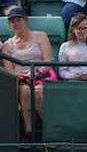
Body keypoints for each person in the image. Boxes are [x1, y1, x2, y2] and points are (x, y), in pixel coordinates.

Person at [1, 9, 54, 138]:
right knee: (24, 91)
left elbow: (47, 61)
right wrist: (21, 76)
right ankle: (29, 131)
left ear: (26, 20)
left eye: (19, 19)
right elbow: (9, 69)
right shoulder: (7, 45)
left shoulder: (41, 36)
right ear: (9, 25)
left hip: (41, 75)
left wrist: (35, 73)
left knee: (39, 91)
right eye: (12, 21)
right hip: (20, 79)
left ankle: (49, 129)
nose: (16, 23)